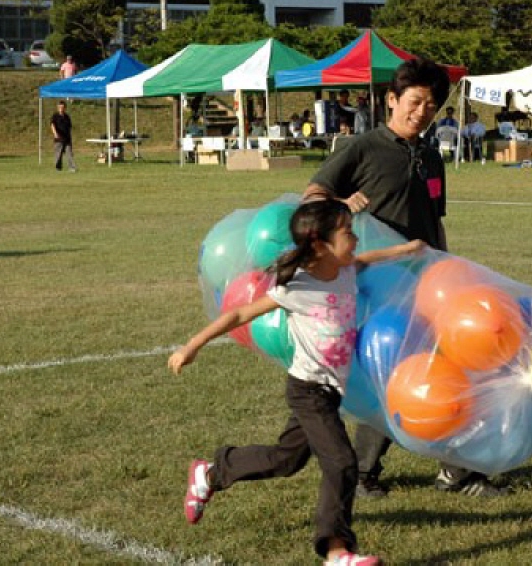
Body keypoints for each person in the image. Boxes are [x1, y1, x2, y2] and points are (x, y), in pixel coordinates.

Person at [170, 200, 424, 566]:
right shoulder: (297, 285)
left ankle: (210, 473)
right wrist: (191, 346)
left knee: (286, 459)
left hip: (330, 390)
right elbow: (240, 312)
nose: (355, 238)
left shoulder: (346, 269)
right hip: (309, 391)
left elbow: (369, 259)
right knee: (341, 463)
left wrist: (407, 249)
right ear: (319, 243)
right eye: (347, 232)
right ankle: (336, 551)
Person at [303, 57, 505, 499]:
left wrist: (450, 270)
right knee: (390, 375)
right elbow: (312, 195)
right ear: (391, 100)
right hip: (379, 282)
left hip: (430, 281)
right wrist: (340, 200)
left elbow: (436, 217)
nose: (422, 111)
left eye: (431, 104)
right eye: (414, 101)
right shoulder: (362, 147)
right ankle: (361, 472)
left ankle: (457, 472)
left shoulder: (431, 156)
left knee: (449, 364)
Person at [50, 100, 76, 172]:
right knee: (58, 155)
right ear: (58, 107)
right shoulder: (55, 116)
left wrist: (69, 137)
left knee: (69, 154)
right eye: (60, 107)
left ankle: (72, 168)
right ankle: (58, 168)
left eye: (63, 107)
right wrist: (55, 134)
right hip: (59, 139)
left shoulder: (67, 116)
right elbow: (52, 125)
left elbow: (69, 127)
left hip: (67, 139)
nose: (61, 109)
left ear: (65, 108)